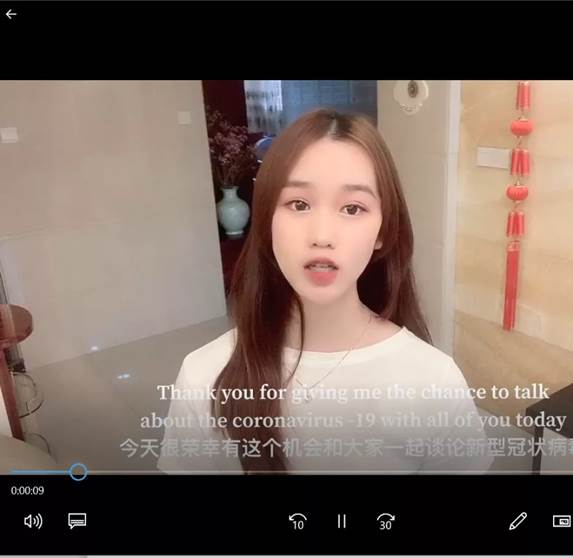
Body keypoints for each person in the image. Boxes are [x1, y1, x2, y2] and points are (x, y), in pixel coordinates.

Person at [157, 109, 493, 474]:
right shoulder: (205, 374)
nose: (322, 236)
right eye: (299, 204)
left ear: (383, 231)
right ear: (268, 221)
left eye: (352, 208)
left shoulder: (434, 381)